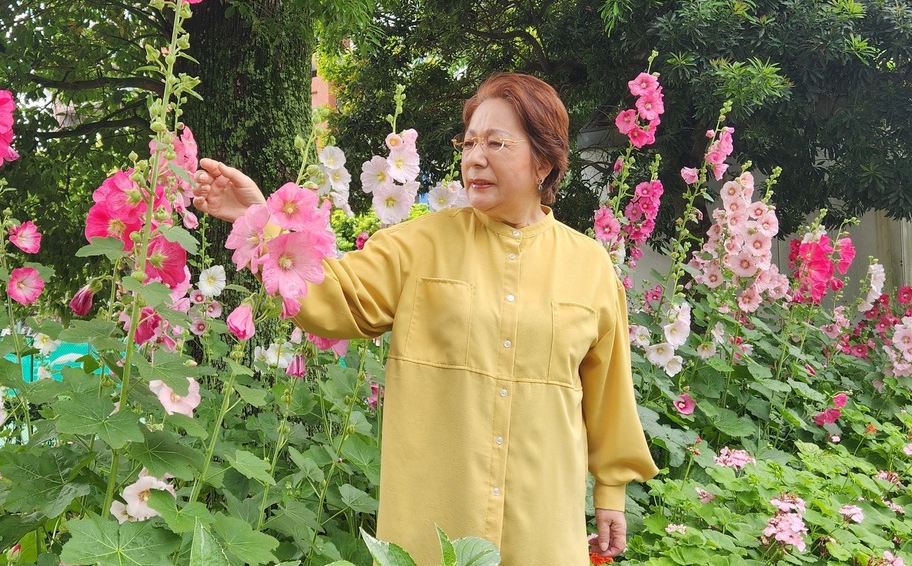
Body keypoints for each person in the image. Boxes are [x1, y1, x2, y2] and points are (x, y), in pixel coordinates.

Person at [192, 72, 658, 564]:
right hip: (434, 525)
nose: (475, 157)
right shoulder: (417, 246)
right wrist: (263, 219)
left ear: (544, 159)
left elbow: (609, 392)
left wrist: (610, 492)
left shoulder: (589, 267)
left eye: (496, 142)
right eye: (470, 142)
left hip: (540, 527)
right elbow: (334, 296)